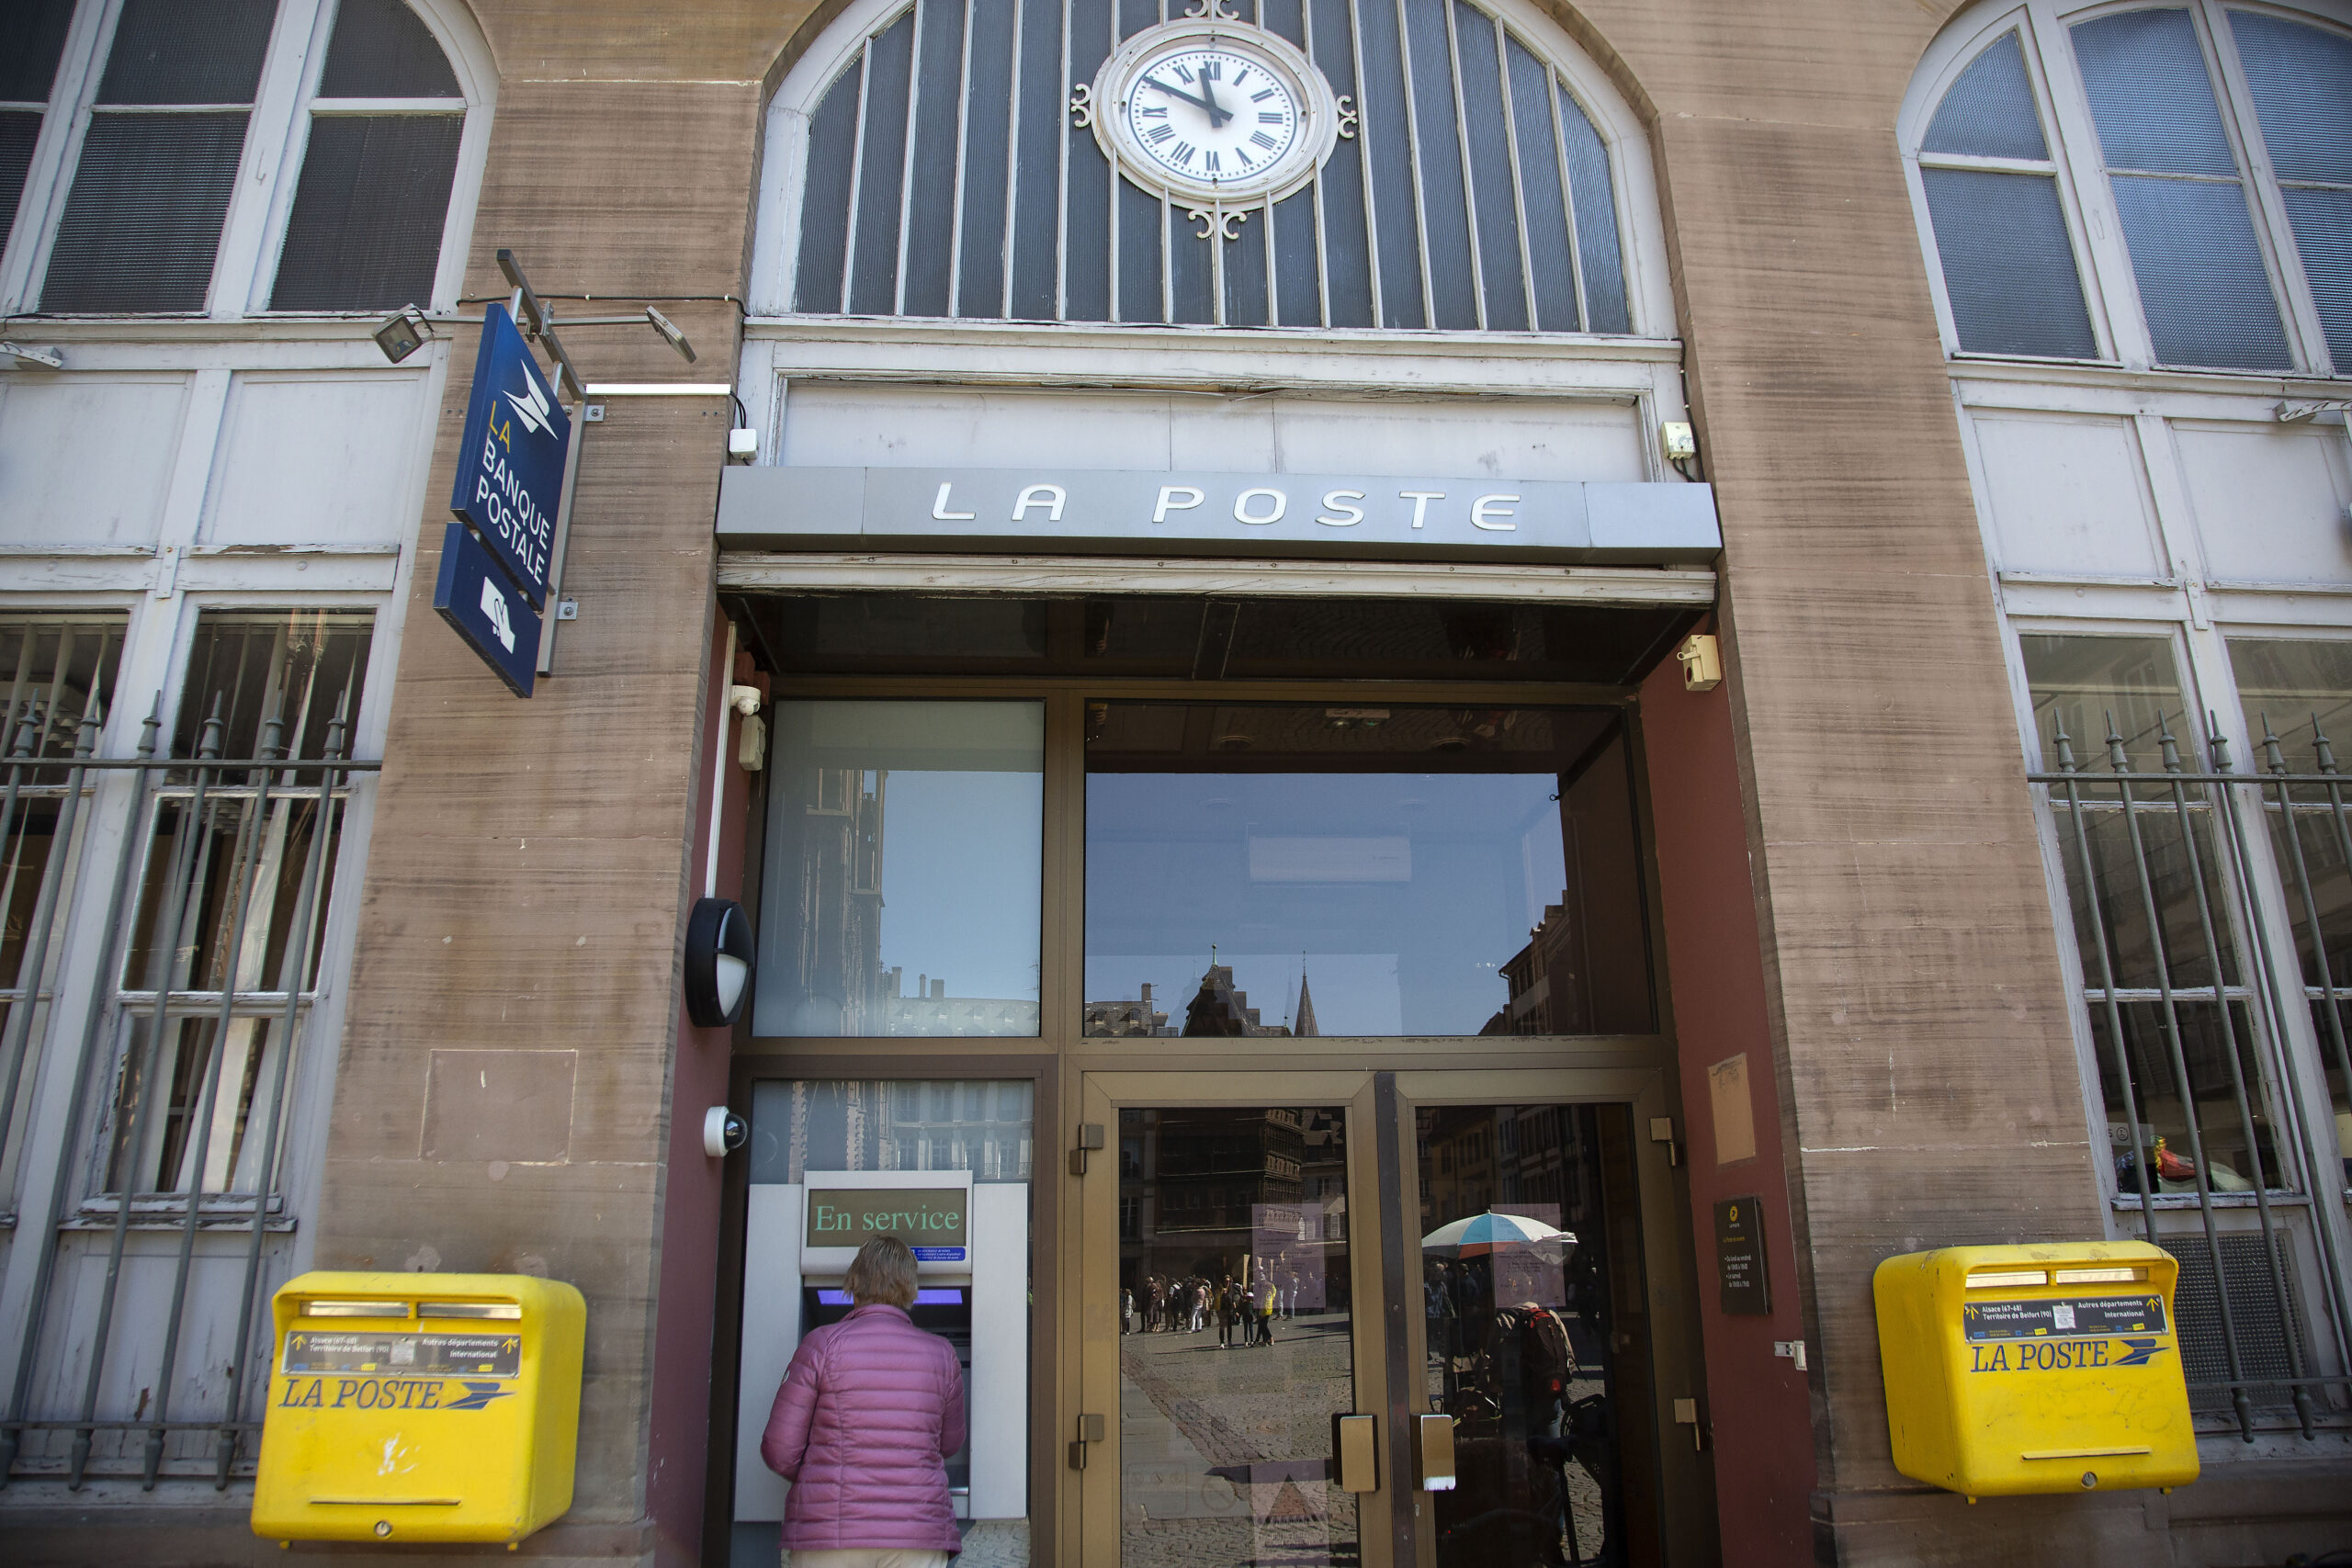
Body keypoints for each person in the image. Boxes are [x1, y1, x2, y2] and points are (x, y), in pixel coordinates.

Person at [761, 1236, 967, 1568]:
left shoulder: (821, 1345)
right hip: (916, 1531)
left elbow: (779, 1449)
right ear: (911, 1289)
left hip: (830, 1532)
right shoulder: (942, 1354)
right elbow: (950, 1443)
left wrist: (824, 1474)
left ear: (854, 1282)